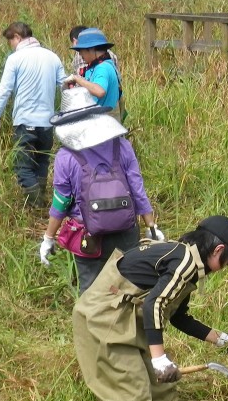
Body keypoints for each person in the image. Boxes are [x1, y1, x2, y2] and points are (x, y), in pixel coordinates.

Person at [73, 215, 228, 401]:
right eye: (227, 262)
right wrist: (159, 359)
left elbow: (178, 316)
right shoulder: (185, 263)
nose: (222, 269)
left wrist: (221, 339)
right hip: (104, 323)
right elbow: (153, 303)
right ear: (219, 250)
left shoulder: (181, 258)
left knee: (162, 394)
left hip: (129, 323)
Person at [37, 87, 163, 293]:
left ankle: (92, 325)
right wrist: (151, 226)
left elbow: (61, 201)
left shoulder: (66, 156)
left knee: (91, 294)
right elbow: (137, 189)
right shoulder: (122, 146)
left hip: (88, 235)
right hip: (126, 231)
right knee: (128, 290)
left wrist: (49, 237)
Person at [0, 21, 66, 208]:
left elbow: (5, 90)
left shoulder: (16, 59)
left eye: (10, 42)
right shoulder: (52, 57)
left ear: (17, 37)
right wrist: (64, 114)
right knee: (41, 161)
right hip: (48, 122)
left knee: (22, 166)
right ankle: (42, 206)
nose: (11, 47)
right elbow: (65, 86)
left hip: (25, 121)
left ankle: (36, 204)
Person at [64, 27, 122, 115]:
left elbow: (100, 91)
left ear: (91, 49)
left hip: (105, 123)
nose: (79, 54)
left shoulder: (103, 67)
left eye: (81, 50)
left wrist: (77, 79)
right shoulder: (100, 65)